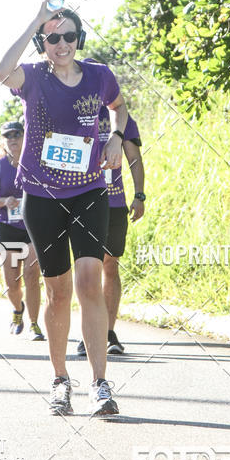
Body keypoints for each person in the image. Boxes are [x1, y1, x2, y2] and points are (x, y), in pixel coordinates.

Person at [0, 0, 128, 417]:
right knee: (57, 290)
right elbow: (1, 71)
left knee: (89, 281)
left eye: (69, 36)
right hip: (42, 196)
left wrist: (116, 136)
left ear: (79, 39)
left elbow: (119, 108)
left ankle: (100, 383)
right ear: (43, 43)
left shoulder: (99, 75)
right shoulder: (33, 77)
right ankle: (60, 380)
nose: (62, 44)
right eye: (52, 38)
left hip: (89, 191)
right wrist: (37, 18)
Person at [76, 95, 145, 356]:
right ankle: (88, 332)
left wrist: (139, 195)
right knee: (87, 268)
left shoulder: (122, 119)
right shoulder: (76, 113)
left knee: (110, 265)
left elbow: (134, 158)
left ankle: (108, 332)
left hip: (114, 202)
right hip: (81, 200)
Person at [0, 121, 44, 341]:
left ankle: (34, 324)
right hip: (7, 228)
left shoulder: (34, 163)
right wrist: (4, 201)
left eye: (17, 134)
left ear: (24, 136)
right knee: (12, 283)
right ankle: (18, 310)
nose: (13, 139)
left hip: (32, 227)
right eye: (8, 136)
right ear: (3, 141)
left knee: (32, 275)